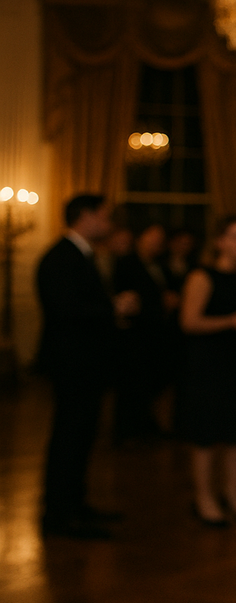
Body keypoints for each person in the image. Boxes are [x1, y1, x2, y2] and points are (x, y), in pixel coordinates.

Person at [36, 194, 139, 539]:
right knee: (70, 436)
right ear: (85, 216)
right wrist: (113, 308)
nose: (109, 224)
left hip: (85, 363)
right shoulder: (62, 257)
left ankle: (74, 504)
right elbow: (66, 310)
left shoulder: (80, 255)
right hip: (73, 363)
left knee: (81, 436)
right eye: (105, 216)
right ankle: (60, 513)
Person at [176, 216, 236, 527]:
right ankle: (205, 498)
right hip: (207, 367)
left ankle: (235, 495)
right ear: (220, 242)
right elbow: (189, 322)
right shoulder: (202, 276)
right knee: (207, 436)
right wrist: (232, 321)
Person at [111, 224, 177, 443]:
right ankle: (127, 431)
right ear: (141, 238)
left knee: (150, 383)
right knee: (132, 384)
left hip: (155, 334)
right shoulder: (126, 263)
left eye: (160, 240)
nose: (157, 244)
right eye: (153, 238)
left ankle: (146, 426)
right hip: (135, 334)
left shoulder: (160, 265)